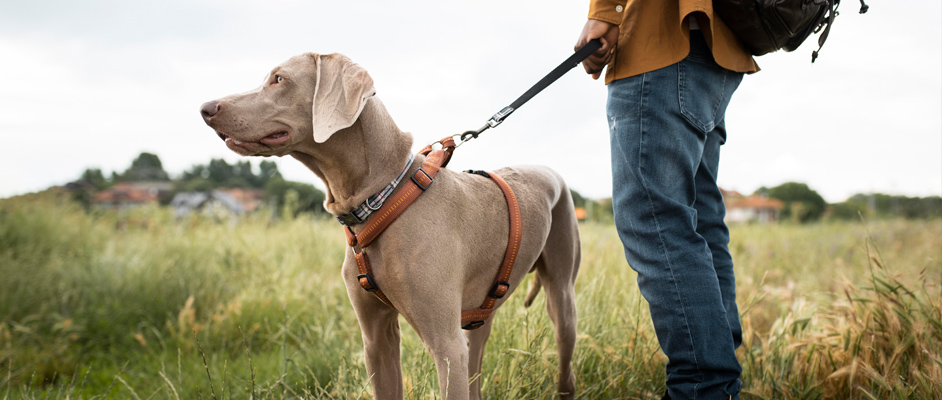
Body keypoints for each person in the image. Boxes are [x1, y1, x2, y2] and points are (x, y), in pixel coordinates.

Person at [575, 1, 759, 399]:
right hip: (717, 44)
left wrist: (606, 12)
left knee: (655, 223)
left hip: (662, 40)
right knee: (699, 220)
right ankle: (720, 372)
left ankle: (705, 387)